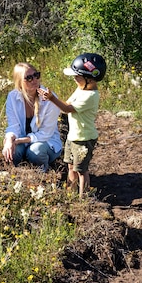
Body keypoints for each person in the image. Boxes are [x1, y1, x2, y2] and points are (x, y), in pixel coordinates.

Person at [40, 53, 105, 196]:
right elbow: (68, 103)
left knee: (82, 170)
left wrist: (51, 99)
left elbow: (67, 109)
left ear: (89, 78)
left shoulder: (90, 96)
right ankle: (71, 193)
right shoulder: (81, 89)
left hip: (83, 139)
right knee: (71, 166)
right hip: (73, 136)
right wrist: (49, 98)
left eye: (77, 77)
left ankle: (84, 197)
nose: (74, 79)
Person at [2, 62, 62, 172]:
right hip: (23, 140)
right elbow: (13, 125)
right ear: (19, 82)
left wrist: (20, 140)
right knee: (12, 150)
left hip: (46, 142)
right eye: (28, 78)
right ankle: (16, 173)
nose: (34, 80)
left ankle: (44, 172)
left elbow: (46, 133)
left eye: (36, 75)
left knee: (35, 151)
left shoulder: (50, 100)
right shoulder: (13, 97)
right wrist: (10, 140)